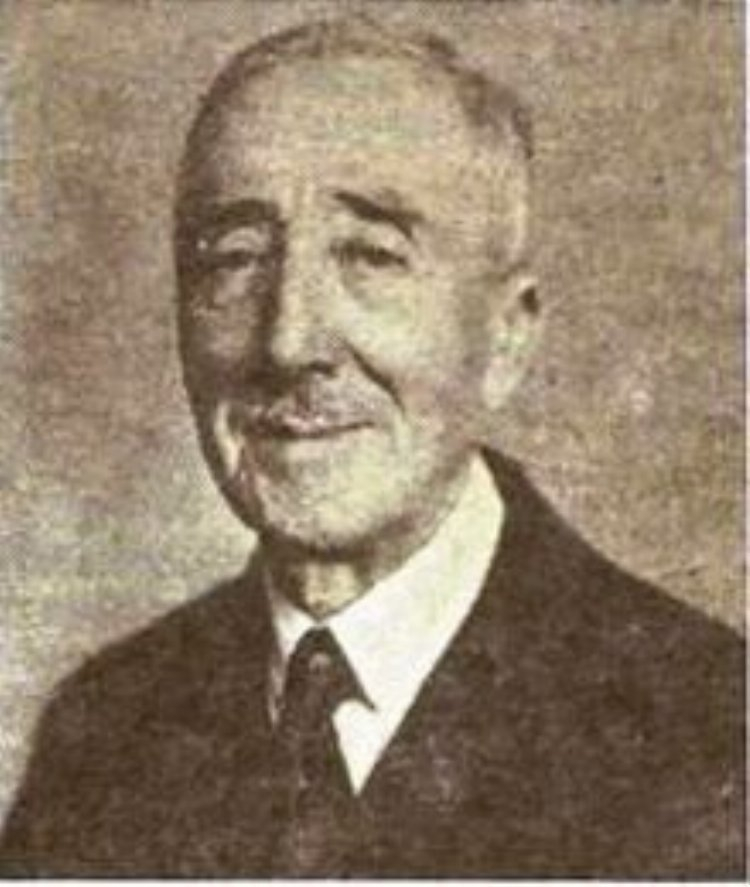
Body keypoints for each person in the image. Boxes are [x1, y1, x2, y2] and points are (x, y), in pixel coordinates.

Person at [0, 15, 744, 878]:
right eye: (234, 258)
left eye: (370, 254)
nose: (289, 340)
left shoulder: (709, 732)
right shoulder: (103, 732)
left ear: (505, 336)